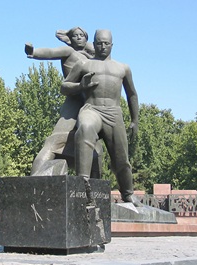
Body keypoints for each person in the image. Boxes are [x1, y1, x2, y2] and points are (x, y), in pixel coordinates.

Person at [61, 29, 141, 206]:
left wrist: (135, 120)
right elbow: (64, 86)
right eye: (99, 43)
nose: (102, 46)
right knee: (86, 129)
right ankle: (82, 187)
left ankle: (128, 193)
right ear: (94, 44)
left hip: (114, 113)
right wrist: (80, 86)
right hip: (92, 108)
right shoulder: (84, 65)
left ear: (112, 45)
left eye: (106, 43)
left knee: (121, 159)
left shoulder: (123, 68)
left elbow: (132, 95)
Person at [25, 27, 101, 177]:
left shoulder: (91, 58)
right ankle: (35, 179)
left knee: (95, 148)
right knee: (55, 141)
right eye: (75, 36)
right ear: (70, 39)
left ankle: (94, 187)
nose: (79, 38)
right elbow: (51, 52)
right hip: (73, 104)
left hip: (91, 105)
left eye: (82, 36)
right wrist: (33, 53)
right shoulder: (69, 52)